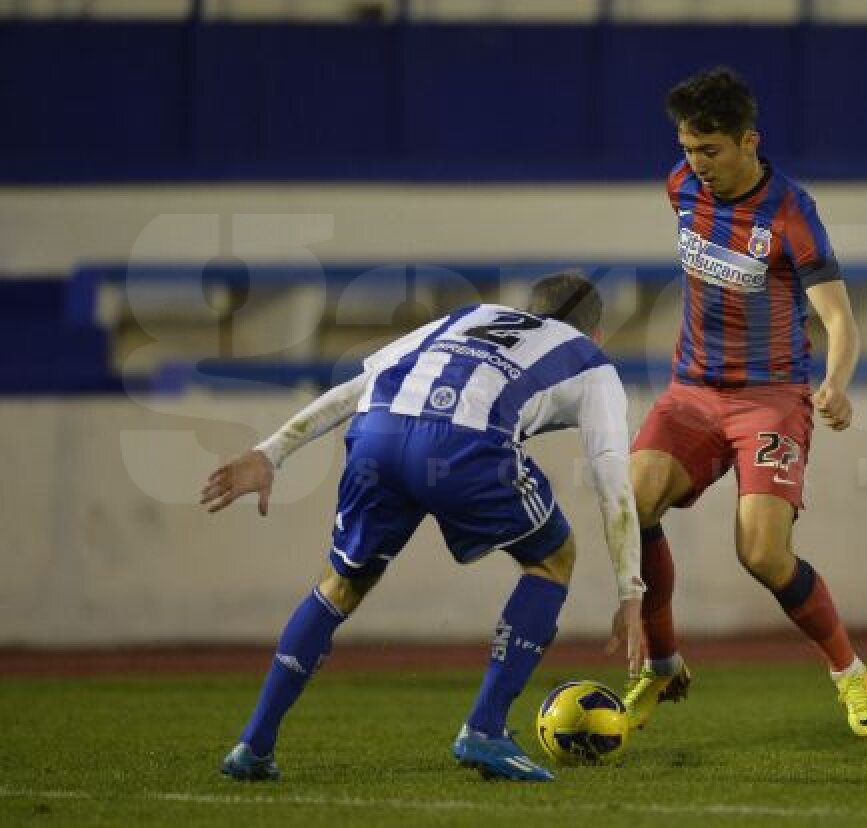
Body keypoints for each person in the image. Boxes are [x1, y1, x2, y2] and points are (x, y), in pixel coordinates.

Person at [201, 273, 644, 783]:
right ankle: (485, 728)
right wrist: (629, 591)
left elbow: (360, 385)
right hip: (464, 448)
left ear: (527, 306)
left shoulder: (469, 317)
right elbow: (613, 475)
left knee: (341, 584)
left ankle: (253, 746)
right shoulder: (590, 361)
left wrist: (270, 452)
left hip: (378, 432)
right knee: (553, 557)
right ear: (598, 332)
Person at [623, 67, 867, 737]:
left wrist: (835, 383)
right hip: (691, 392)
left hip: (769, 400)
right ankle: (661, 662)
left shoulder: (792, 212)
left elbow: (840, 319)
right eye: (687, 148)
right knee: (630, 505)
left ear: (749, 141)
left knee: (763, 555)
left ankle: (849, 671)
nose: (695, 164)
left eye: (709, 149)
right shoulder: (680, 188)